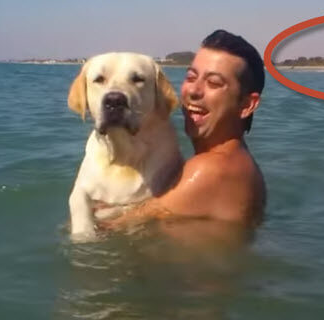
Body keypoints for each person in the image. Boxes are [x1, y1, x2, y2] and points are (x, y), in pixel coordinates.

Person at [102, 29, 266, 233]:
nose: (194, 91)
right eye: (191, 77)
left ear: (247, 105)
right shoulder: (238, 161)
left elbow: (107, 230)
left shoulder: (211, 170)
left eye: (214, 83)